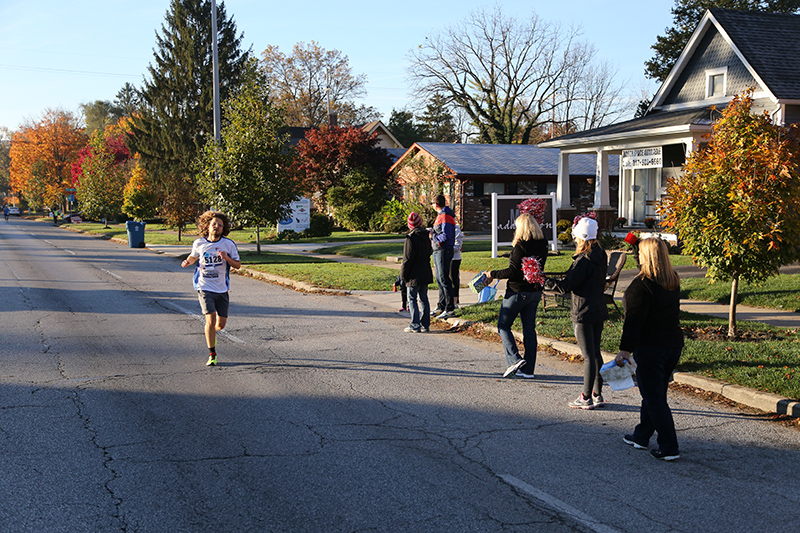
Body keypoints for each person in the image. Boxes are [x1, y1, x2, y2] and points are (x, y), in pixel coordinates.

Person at [615, 238, 684, 461]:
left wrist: (624, 350)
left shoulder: (641, 284)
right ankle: (641, 435)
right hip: (672, 345)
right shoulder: (672, 280)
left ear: (645, 256)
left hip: (650, 347)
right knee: (654, 392)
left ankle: (669, 446)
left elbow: (633, 321)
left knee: (654, 398)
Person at [547, 214, 608, 409]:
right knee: (596, 353)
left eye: (576, 237)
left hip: (583, 309)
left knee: (588, 355)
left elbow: (566, 285)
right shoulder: (600, 254)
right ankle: (597, 394)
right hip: (598, 306)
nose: (574, 240)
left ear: (581, 238)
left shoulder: (583, 260)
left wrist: (546, 282)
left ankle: (586, 396)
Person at [482, 203, 548, 379]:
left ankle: (514, 359)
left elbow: (513, 272)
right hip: (535, 291)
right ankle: (529, 370)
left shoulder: (520, 246)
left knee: (503, 325)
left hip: (517, 292)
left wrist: (492, 274)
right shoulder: (543, 244)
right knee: (529, 330)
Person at [181, 210, 241, 366]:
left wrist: (226, 258)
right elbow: (193, 256)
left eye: (220, 225)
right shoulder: (199, 243)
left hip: (222, 289)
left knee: (220, 325)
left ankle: (211, 332)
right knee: (211, 319)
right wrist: (187, 261)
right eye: (214, 224)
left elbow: (238, 265)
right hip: (204, 286)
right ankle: (212, 354)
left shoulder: (228, 244)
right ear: (207, 226)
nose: (217, 227)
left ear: (223, 228)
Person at [401, 212, 433, 333]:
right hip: (425, 270)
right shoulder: (426, 236)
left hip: (413, 274)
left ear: (410, 225)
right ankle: (425, 324)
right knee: (423, 298)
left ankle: (415, 324)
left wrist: (403, 275)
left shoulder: (410, 238)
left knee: (412, 298)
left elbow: (407, 259)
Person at [429, 194, 456, 319]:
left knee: (444, 279)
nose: (432, 206)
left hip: (443, 250)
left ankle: (450, 307)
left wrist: (433, 237)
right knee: (440, 280)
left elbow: (445, 236)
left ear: (436, 204)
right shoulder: (441, 216)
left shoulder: (445, 216)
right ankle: (441, 305)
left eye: (432, 203)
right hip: (437, 250)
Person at [450, 224, 464, 308]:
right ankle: (449, 299)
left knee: (453, 279)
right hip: (446, 257)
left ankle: (455, 301)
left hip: (455, 258)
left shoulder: (456, 231)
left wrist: (447, 248)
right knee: (447, 279)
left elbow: (458, 247)